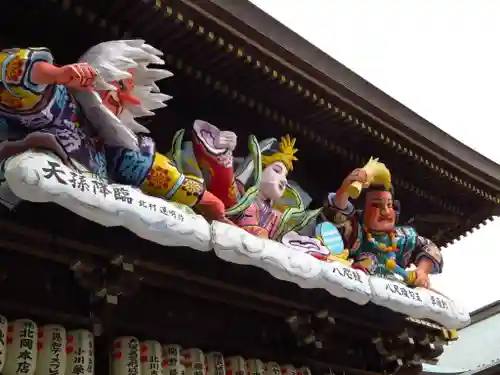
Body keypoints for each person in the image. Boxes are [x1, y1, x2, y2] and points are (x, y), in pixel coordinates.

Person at [323, 168, 443, 288]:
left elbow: (430, 247)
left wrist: (422, 271)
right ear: (363, 209)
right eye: (376, 205)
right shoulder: (355, 228)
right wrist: (344, 191)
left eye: (389, 205)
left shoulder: (402, 237)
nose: (385, 212)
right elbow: (337, 214)